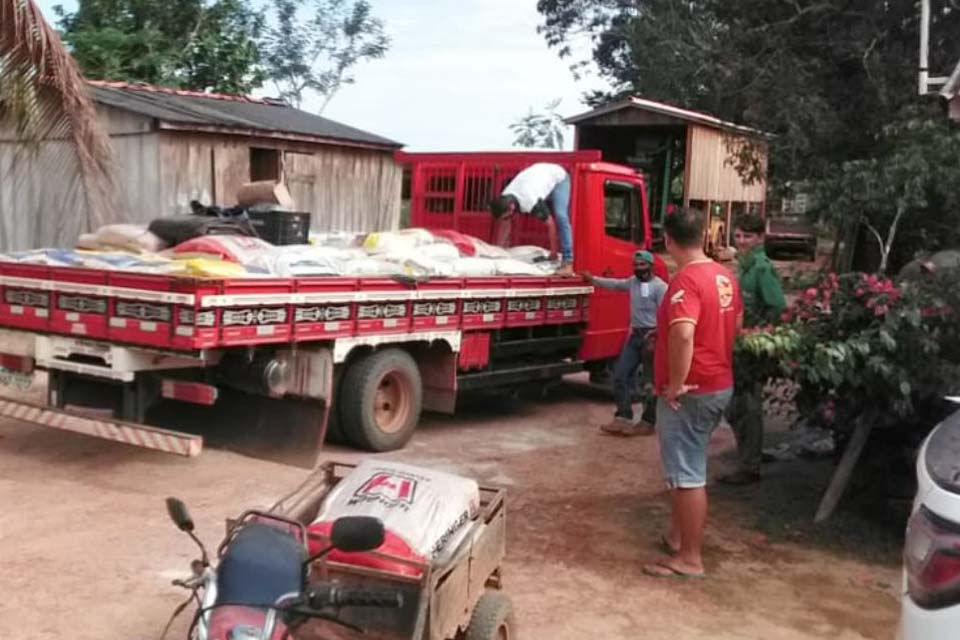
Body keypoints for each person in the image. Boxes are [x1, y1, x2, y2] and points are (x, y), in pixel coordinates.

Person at [644, 206, 742, 579]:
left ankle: (689, 558)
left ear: (667, 240)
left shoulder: (685, 281)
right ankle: (676, 536)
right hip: (719, 382)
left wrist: (676, 382)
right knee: (690, 464)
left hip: (692, 390)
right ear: (703, 236)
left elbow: (685, 332)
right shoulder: (724, 276)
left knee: (687, 474)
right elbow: (733, 323)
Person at [717, 213, 787, 486]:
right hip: (738, 344)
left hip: (752, 347)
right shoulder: (744, 266)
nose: (742, 241)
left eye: (748, 236)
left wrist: (760, 334)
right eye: (738, 236)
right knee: (736, 405)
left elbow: (778, 307)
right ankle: (749, 456)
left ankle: (750, 466)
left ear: (760, 238)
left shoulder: (761, 268)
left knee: (746, 406)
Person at [583, 250, 667, 436]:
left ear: (651, 266)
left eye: (642, 265)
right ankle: (623, 416)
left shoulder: (660, 287)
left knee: (649, 384)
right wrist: (593, 280)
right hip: (636, 336)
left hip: (652, 337)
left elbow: (666, 314)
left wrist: (658, 337)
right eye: (636, 265)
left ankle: (648, 421)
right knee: (620, 374)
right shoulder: (633, 282)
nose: (639, 269)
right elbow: (614, 284)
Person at [490, 163, 573, 275]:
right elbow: (505, 224)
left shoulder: (529, 201)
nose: (507, 218)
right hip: (539, 176)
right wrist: (498, 251)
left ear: (511, 207)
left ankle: (568, 262)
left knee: (560, 216)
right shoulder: (505, 196)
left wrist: (553, 254)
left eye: (506, 216)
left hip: (559, 178)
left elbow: (551, 224)